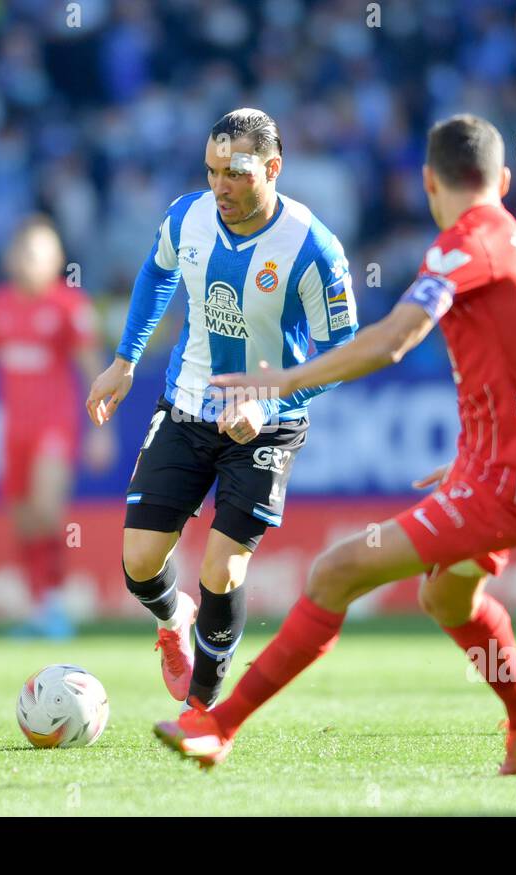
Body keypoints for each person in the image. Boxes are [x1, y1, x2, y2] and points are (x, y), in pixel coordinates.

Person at [154, 114, 516, 774]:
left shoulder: (466, 243)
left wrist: (284, 383)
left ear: (429, 180)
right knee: (444, 599)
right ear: (505, 179)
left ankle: (221, 726)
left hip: (508, 479)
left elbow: (392, 339)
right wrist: (482, 452)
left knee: (333, 573)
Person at [86, 109, 359, 709]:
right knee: (138, 563)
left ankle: (201, 710)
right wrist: (126, 360)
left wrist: (274, 400)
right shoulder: (187, 216)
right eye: (211, 172)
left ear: (273, 168)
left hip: (268, 426)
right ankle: (172, 618)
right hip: (187, 405)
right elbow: (157, 274)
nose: (220, 187)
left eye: (234, 173)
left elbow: (344, 351)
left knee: (221, 570)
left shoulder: (312, 248)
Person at [0, 216, 114, 639]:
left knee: (47, 510)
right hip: (14, 430)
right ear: (10, 258)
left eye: (39, 254)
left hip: (54, 426)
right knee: (24, 519)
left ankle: (56, 606)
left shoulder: (69, 307)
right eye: (23, 253)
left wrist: (101, 429)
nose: (30, 262)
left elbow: (91, 369)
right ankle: (39, 607)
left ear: (56, 259)